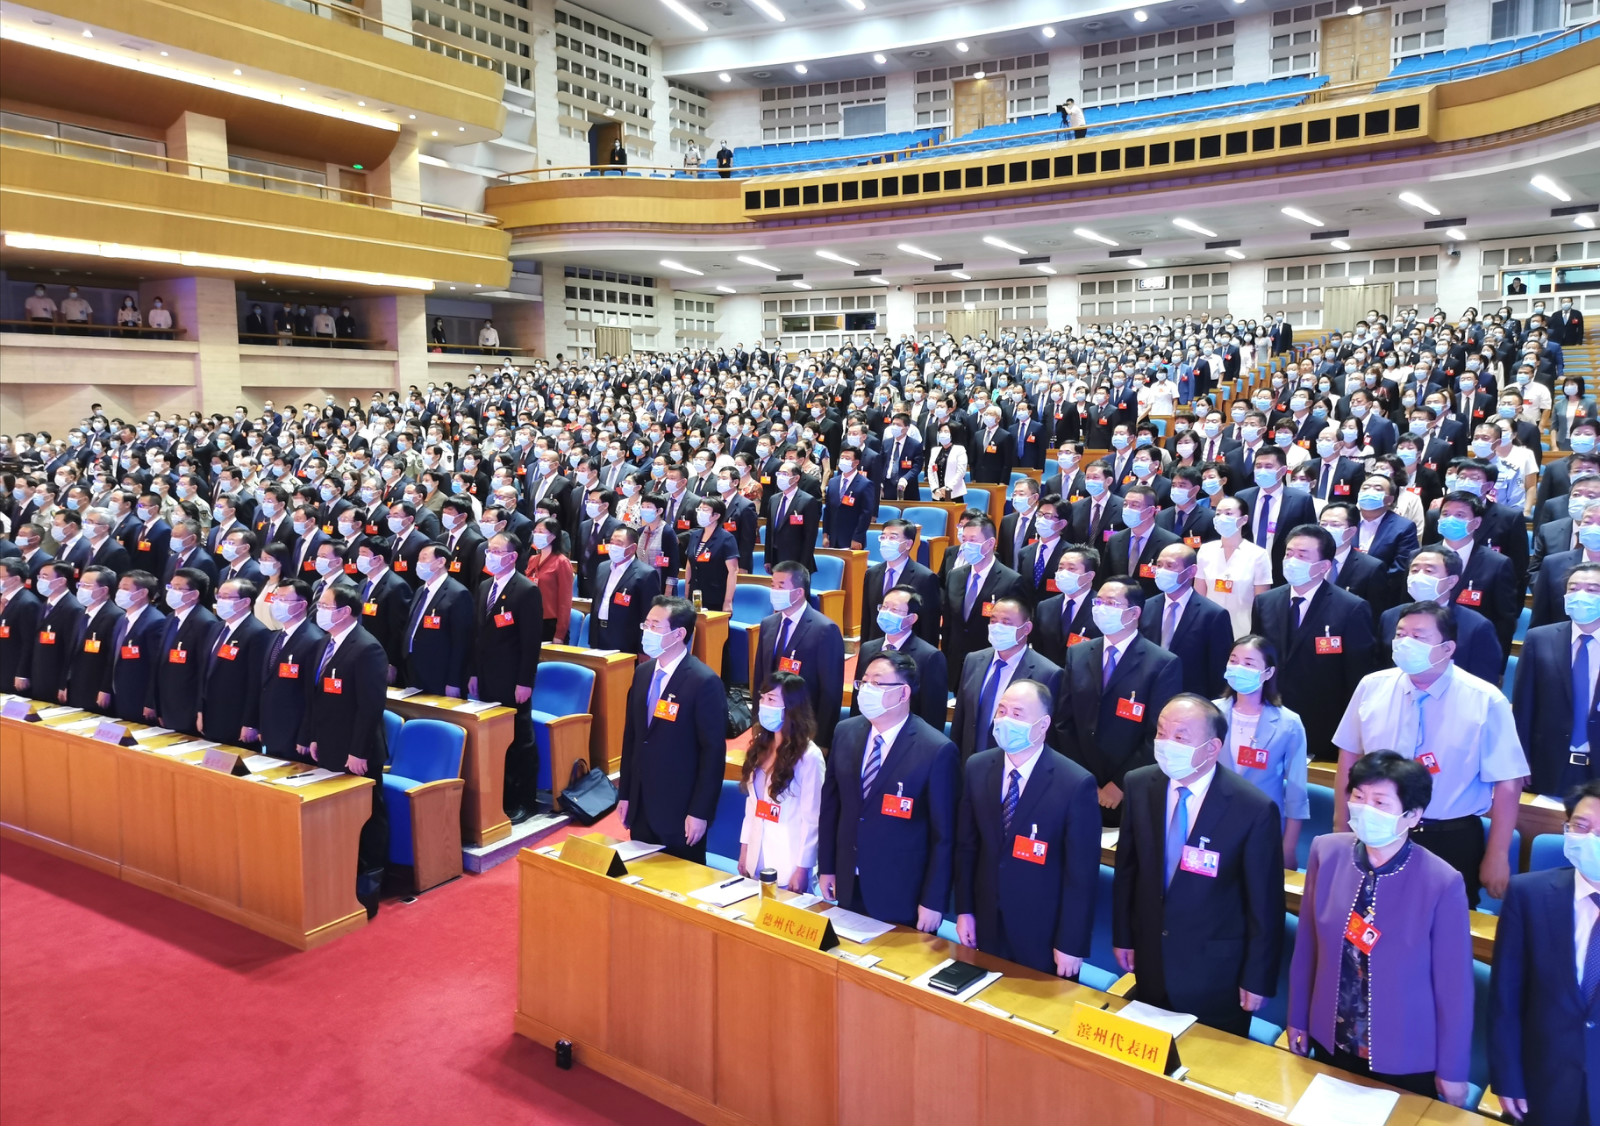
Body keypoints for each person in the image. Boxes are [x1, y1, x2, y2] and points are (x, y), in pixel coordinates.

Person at [1289, 751, 1472, 1104]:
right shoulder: (1326, 852)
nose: (1364, 808)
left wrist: (1453, 1070)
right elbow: (1307, 946)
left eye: (1380, 802)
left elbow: (1455, 988)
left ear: (1413, 816)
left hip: (1404, 1052)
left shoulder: (1442, 882)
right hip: (1333, 1034)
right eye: (1358, 797)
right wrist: (1298, 1017)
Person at [1333, 601, 1528, 907]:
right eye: (1400, 634)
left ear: (1447, 648)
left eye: (1419, 637)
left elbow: (1508, 782)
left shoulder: (1485, 700)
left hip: (1449, 836)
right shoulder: (1372, 686)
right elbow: (1349, 757)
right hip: (1377, 828)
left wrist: (1498, 854)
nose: (1405, 642)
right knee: (1370, 920)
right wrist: (1341, 824)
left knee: (1443, 933)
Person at [1112, 694, 1286, 1036]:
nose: (1165, 744)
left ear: (1212, 748)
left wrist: (1257, 978)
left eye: (1180, 737)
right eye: (1161, 733)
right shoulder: (1139, 784)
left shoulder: (1251, 809)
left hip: (1217, 974)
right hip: (1151, 959)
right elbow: (1128, 871)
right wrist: (1124, 936)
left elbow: (1265, 906)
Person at [954, 678, 1100, 975]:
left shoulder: (1075, 783)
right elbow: (967, 847)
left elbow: (1081, 875)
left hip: (1042, 929)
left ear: (1043, 724)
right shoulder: (978, 767)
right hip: (986, 919)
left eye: (1017, 714)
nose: (1005, 720)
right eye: (1002, 711)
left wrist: (1071, 943)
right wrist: (965, 909)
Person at [819, 650, 959, 929]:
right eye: (864, 682)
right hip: (848, 878)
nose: (866, 689)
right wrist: (827, 867)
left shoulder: (936, 750)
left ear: (903, 693)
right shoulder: (844, 732)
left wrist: (933, 900)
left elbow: (943, 836)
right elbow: (831, 807)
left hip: (900, 890)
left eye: (878, 683)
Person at [1491, 778, 1600, 1126]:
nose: (1592, 839)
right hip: (1545, 1084)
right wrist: (1507, 1077)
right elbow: (1505, 999)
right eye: (1581, 826)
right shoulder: (1529, 895)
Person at [1057, 579, 1183, 826]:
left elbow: (1157, 734)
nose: (1101, 608)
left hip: (1128, 788)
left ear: (1134, 612)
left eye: (1112, 603)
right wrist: (1081, 774)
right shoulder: (1078, 653)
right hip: (1079, 778)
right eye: (1099, 601)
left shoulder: (1161, 663)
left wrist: (1120, 783)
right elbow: (1064, 720)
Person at [296, 583, 389, 916]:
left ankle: (371, 881)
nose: (318, 609)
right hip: (329, 743)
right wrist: (312, 737)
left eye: (324, 604)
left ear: (345, 611)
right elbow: (315, 698)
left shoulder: (367, 648)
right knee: (338, 815)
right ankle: (340, 877)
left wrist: (358, 751)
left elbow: (370, 706)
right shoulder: (324, 643)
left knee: (367, 815)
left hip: (357, 749)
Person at [1251, 525, 1377, 760]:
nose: (1291, 560)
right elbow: (1257, 658)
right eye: (1289, 553)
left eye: (1302, 555)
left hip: (1323, 724)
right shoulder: (1265, 602)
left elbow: (1357, 677)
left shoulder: (1351, 608)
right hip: (1271, 716)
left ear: (1324, 566)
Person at [619, 597, 726, 862]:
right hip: (642, 804)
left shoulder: (704, 682)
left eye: (655, 626)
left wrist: (700, 812)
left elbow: (712, 755)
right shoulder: (642, 673)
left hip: (680, 810)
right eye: (647, 624)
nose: (647, 631)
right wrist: (625, 795)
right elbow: (632, 738)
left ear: (679, 634)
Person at [1215, 636, 1309, 867]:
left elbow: (1296, 794)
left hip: (1262, 828)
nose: (1238, 668)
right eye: (1233, 660)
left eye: (1248, 663)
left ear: (1268, 673)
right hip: (1212, 823)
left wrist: (1287, 848)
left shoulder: (1289, 723)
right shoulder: (1210, 713)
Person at [469, 533, 543, 823]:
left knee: (519, 742)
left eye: (497, 551)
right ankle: (500, 797)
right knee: (494, 740)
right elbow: (477, 635)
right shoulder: (485, 586)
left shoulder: (526, 590)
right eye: (489, 550)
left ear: (512, 557)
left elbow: (530, 642)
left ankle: (524, 800)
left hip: (513, 680)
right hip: (486, 677)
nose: (490, 554)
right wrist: (473, 673)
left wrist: (525, 681)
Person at [1514, 562, 1600, 797]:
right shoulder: (1539, 639)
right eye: (1573, 588)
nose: (1580, 595)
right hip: (1549, 765)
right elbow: (1523, 709)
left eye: (1592, 589)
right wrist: (1520, 761)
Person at [738, 673, 826, 892]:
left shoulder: (809, 757)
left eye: (771, 700)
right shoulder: (760, 746)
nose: (763, 705)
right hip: (757, 854)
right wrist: (744, 848)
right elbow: (753, 805)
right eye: (762, 698)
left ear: (791, 707)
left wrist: (803, 867)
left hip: (789, 859)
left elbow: (812, 818)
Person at [950, 597, 1063, 763]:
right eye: (993, 620)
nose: (997, 627)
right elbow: (961, 717)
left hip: (1013, 767)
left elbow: (1047, 735)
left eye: (1006, 622)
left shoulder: (1047, 673)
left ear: (1026, 628)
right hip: (969, 766)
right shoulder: (973, 660)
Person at [756, 562, 844, 747]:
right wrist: (759, 722)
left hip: (805, 730)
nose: (774, 590)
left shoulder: (825, 630)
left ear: (799, 592)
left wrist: (822, 741)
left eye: (781, 585)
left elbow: (831, 692)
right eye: (773, 585)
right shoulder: (767, 624)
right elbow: (760, 678)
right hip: (771, 727)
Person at [1141, 541, 1231, 698]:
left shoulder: (1213, 615)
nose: (1161, 571)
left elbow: (1218, 671)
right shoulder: (1147, 607)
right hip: (1147, 693)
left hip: (1189, 698)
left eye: (1170, 566)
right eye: (1159, 565)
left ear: (1191, 571)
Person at [852, 586, 948, 730]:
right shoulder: (868, 648)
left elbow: (933, 714)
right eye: (884, 607)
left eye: (895, 610)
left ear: (911, 618)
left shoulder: (930, 657)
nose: (886, 613)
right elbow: (858, 698)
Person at [943, 516, 1026, 677]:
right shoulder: (954, 576)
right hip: (956, 661)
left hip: (990, 661)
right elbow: (948, 622)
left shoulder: (1011, 580)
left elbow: (1017, 629)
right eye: (964, 540)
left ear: (989, 544)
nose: (966, 546)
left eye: (972, 540)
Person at [142, 568, 219, 735]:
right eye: (170, 587)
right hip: (165, 703)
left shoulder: (205, 623)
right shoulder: (170, 618)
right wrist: (153, 702)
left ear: (194, 594)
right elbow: (159, 663)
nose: (171, 592)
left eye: (178, 588)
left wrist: (198, 710)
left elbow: (201, 672)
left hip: (187, 707)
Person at [195, 579, 270, 746]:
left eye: (227, 597)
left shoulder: (258, 633)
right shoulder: (217, 627)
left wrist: (250, 722)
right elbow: (206, 672)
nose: (220, 601)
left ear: (245, 602)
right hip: (211, 713)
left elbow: (255, 683)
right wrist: (200, 709)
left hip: (236, 718)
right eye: (219, 596)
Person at [1194, 495, 1272, 639]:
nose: (1222, 517)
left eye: (1229, 513)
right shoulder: (1205, 550)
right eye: (1218, 513)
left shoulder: (1258, 555)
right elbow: (1199, 596)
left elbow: (1261, 603)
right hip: (1208, 628)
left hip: (1243, 630)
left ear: (1243, 520)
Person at [591, 525, 661, 654]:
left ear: (633, 548)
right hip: (599, 635)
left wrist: (643, 649)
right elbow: (596, 602)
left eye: (619, 544)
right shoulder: (602, 567)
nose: (613, 547)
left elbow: (648, 613)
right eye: (611, 542)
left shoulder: (646, 574)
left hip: (626, 640)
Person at [21, 562, 83, 704]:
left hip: (55, 676)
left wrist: (64, 683)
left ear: (61, 581)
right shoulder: (44, 604)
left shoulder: (73, 609)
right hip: (38, 673)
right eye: (40, 576)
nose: (40, 580)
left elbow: (69, 650)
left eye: (45, 576)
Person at [63, 565, 122, 712]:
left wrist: (105, 689)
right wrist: (63, 684)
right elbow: (71, 652)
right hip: (74, 685)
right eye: (80, 584)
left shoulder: (115, 616)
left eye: (86, 586)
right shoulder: (81, 613)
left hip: (96, 687)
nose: (81, 589)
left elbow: (111, 659)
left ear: (103, 590)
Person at [685, 496, 737, 614]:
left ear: (716, 515)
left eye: (705, 509)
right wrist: (687, 593)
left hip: (715, 596)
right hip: (694, 595)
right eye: (699, 509)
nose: (700, 513)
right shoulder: (695, 535)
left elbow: (733, 571)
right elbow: (689, 565)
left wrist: (728, 601)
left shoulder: (726, 538)